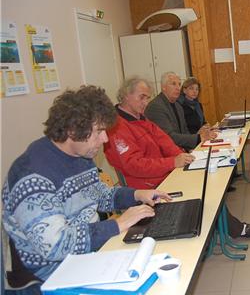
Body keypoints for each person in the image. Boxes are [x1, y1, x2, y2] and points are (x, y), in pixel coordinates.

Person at [2, 86, 169, 293]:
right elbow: (55, 245)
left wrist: (136, 195)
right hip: (45, 275)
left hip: (85, 258)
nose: (105, 139)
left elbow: (100, 196)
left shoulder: (81, 155)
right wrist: (117, 225)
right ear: (73, 130)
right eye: (99, 131)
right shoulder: (32, 174)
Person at [104, 78, 250, 239]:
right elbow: (134, 165)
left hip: (163, 175)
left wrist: (183, 156)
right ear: (126, 95)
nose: (145, 102)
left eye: (147, 97)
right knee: (200, 189)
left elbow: (164, 141)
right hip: (147, 188)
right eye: (142, 97)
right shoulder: (116, 127)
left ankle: (222, 229)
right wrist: (172, 162)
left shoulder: (140, 118)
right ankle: (235, 229)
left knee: (205, 183)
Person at [145, 72, 217, 151]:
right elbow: (169, 137)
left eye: (179, 84)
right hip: (167, 155)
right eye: (173, 84)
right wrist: (198, 138)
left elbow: (184, 131)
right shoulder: (156, 107)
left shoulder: (178, 106)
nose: (178, 87)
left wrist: (198, 138)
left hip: (182, 151)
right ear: (163, 87)